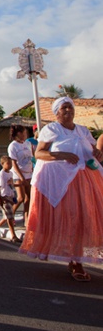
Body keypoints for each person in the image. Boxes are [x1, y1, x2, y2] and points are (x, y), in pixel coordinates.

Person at [19, 97, 103, 282]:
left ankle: (78, 259)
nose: (68, 111)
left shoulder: (82, 130)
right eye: (64, 108)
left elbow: (93, 148)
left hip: (85, 181)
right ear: (57, 112)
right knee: (71, 219)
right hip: (62, 184)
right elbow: (39, 153)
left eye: (70, 107)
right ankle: (75, 262)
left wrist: (97, 152)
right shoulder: (51, 129)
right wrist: (61, 154)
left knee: (85, 220)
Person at [7, 125, 33, 224]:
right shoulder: (13, 146)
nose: (24, 135)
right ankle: (9, 215)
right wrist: (21, 177)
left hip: (29, 173)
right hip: (18, 175)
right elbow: (14, 163)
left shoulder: (28, 143)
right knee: (21, 198)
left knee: (29, 198)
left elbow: (32, 157)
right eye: (22, 133)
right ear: (17, 134)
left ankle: (26, 219)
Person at [0, 156, 18, 242]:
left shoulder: (10, 173)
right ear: (2, 164)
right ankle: (13, 235)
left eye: (11, 163)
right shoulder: (1, 174)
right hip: (4, 197)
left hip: (10, 196)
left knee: (8, 215)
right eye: (8, 163)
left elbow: (11, 185)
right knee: (10, 218)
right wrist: (1, 198)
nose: (10, 165)